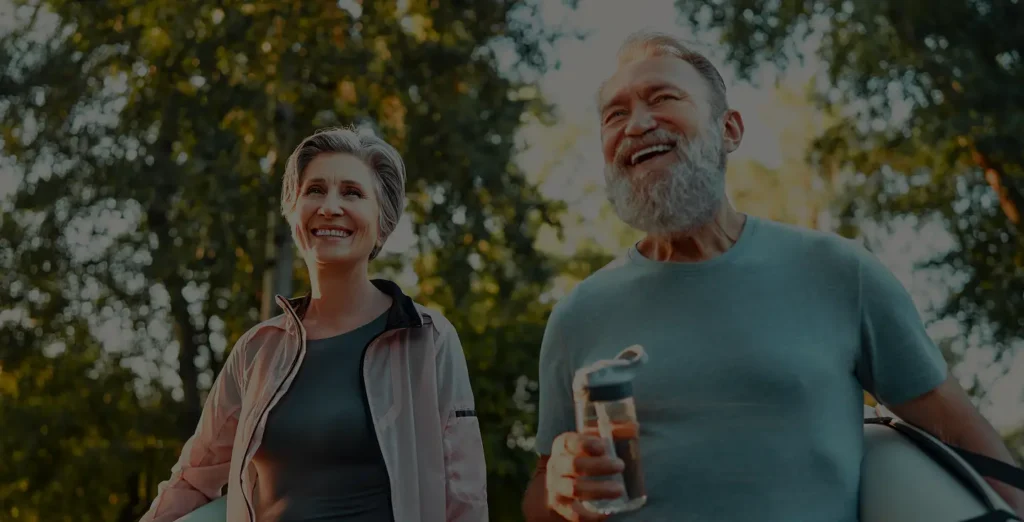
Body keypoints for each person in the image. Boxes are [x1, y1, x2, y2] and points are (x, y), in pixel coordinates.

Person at [521, 30, 1024, 522]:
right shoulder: (577, 316)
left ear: (730, 130)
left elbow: (961, 433)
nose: (636, 124)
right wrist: (558, 492)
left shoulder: (839, 272)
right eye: (615, 114)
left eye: (662, 97)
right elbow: (542, 496)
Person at [140, 126, 488, 522]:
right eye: (315, 190)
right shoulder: (257, 350)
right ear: (294, 213)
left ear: (383, 220)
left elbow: (464, 495)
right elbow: (192, 479)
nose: (330, 206)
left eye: (353, 193)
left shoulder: (428, 339)